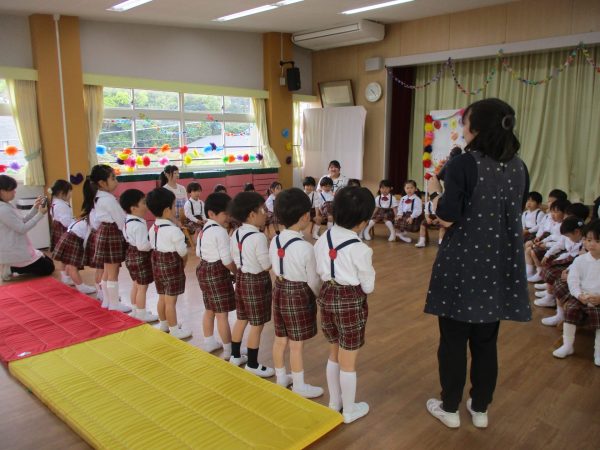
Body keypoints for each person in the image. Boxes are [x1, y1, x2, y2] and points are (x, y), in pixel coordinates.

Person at [424, 98, 531, 429]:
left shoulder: (464, 164)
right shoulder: (519, 167)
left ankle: (450, 408)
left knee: (453, 341)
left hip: (462, 265)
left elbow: (446, 217)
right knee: (486, 343)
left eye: (465, 122)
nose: (463, 128)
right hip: (498, 266)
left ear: (477, 128)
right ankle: (480, 408)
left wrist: (433, 192)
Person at [314, 186, 375, 423]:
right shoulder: (361, 249)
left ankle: (334, 403)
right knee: (348, 360)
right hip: (349, 301)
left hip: (327, 296)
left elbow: (319, 271)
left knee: (334, 352)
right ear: (362, 222)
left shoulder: (322, 239)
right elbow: (368, 286)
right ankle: (349, 411)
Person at [270, 188, 323, 398]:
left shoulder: (275, 240)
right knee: (296, 344)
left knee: (280, 339)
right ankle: (299, 385)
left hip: (279, 289)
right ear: (304, 216)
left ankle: (281, 378)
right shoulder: (306, 247)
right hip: (298, 293)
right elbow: (313, 281)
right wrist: (318, 296)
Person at [229, 192, 274, 377]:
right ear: (252, 215)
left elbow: (234, 256)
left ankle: (235, 356)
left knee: (242, 318)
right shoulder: (258, 237)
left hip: (241, 278)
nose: (266, 213)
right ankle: (253, 364)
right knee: (257, 324)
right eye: (263, 210)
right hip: (256, 282)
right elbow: (266, 265)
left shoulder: (236, 233)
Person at [552, 219, 600, 367]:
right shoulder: (580, 260)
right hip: (581, 296)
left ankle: (598, 351)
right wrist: (579, 295)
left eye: (597, 241)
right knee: (571, 310)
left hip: (598, 299)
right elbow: (573, 281)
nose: (591, 244)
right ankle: (568, 345)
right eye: (588, 240)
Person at [196, 192, 237, 358]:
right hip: (216, 272)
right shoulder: (220, 232)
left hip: (203, 269)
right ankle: (229, 350)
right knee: (222, 314)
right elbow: (226, 260)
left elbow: (198, 252)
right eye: (225, 214)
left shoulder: (204, 229)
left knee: (209, 309)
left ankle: (209, 342)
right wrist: (236, 272)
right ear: (212, 213)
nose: (228, 217)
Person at [147, 187, 192, 339]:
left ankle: (164, 325)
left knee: (162, 297)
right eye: (173, 205)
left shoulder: (153, 228)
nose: (175, 209)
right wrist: (183, 263)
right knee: (171, 301)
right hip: (171, 265)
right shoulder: (174, 231)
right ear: (167, 210)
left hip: (157, 263)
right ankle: (174, 331)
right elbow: (183, 252)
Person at [87, 165, 130, 312]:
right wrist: (128, 235)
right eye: (113, 178)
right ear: (102, 183)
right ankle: (114, 304)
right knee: (113, 272)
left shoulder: (99, 197)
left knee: (106, 270)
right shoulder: (108, 199)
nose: (116, 181)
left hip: (104, 232)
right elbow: (121, 220)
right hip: (112, 233)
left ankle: (107, 301)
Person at [0, 175, 54, 281]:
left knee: (49, 262)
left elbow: (22, 220)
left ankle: (12, 266)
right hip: (13, 250)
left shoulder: (7, 205)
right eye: (12, 190)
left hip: (18, 246)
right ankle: (10, 268)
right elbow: (22, 228)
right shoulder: (3, 210)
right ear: (2, 191)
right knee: (48, 268)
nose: (14, 192)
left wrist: (35, 208)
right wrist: (40, 214)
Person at [119, 189, 158, 323]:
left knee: (136, 284)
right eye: (143, 203)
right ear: (133, 208)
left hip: (131, 254)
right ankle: (142, 314)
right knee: (142, 286)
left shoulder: (128, 220)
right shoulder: (138, 225)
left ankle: (136, 310)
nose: (146, 206)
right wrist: (153, 244)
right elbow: (143, 246)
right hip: (140, 256)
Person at [536, 216, 585, 320]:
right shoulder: (571, 237)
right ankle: (549, 296)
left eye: (569, 236)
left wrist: (569, 272)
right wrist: (548, 255)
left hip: (575, 265)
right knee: (550, 266)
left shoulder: (584, 242)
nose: (568, 238)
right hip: (570, 261)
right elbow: (560, 245)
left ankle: (559, 312)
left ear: (577, 232)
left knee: (557, 277)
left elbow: (580, 259)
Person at [52, 191, 96, 294]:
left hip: (69, 236)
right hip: (73, 239)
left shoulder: (85, 218)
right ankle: (81, 286)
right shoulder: (90, 221)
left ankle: (67, 279)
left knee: (69, 263)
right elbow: (88, 240)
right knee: (73, 266)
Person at [527, 199, 570, 283]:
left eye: (556, 212)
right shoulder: (557, 223)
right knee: (530, 249)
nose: (552, 214)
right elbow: (552, 236)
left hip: (559, 250)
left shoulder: (564, 226)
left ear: (565, 213)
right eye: (552, 211)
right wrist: (543, 241)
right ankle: (537, 272)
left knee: (534, 251)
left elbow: (560, 243)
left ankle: (541, 275)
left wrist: (546, 244)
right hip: (552, 245)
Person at [48, 179, 74, 285]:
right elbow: (66, 222)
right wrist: (75, 224)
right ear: (61, 193)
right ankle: (66, 276)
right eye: (69, 192)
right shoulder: (61, 205)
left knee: (63, 257)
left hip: (58, 229)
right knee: (66, 256)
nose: (71, 194)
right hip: (63, 231)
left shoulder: (55, 202)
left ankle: (65, 276)